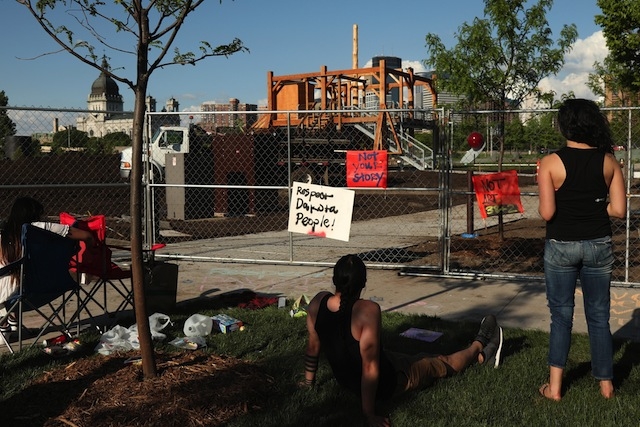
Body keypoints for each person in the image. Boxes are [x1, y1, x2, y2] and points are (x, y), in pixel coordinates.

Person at [301, 254, 503, 426]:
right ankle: (480, 344)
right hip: (389, 383)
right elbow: (370, 368)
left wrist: (309, 382)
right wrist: (369, 414)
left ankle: (481, 354)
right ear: (363, 284)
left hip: (350, 380)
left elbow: (313, 345)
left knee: (414, 358)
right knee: (441, 362)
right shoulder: (366, 311)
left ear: (334, 279)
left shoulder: (319, 301)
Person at [537, 98, 626, 401]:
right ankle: (606, 386)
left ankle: (556, 388)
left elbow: (547, 213)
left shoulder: (550, 162)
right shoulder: (609, 161)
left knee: (561, 316)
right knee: (599, 316)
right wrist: (596, 204)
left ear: (565, 125)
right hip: (598, 243)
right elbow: (619, 210)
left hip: (561, 244)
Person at [0, 197, 94, 334]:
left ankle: (4, 323)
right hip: (52, 286)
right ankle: (11, 321)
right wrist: (89, 255)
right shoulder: (45, 229)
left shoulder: (4, 237)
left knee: (10, 274)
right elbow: (87, 236)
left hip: (16, 295)